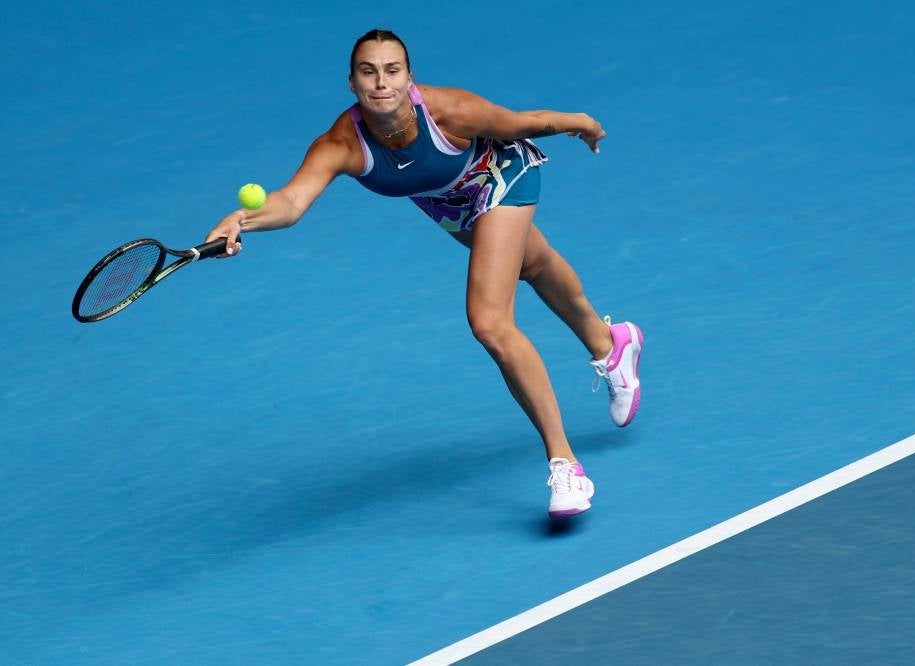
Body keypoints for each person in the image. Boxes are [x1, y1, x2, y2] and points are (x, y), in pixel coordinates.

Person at [205, 29, 643, 519]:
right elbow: (290, 202)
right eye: (368, 72)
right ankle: (611, 343)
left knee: (490, 323)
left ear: (409, 78)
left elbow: (523, 123)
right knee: (533, 264)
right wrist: (243, 219)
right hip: (448, 201)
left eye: (392, 71)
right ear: (351, 82)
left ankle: (565, 465)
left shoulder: (449, 110)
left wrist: (579, 122)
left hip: (500, 173)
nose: (381, 83)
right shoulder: (341, 143)